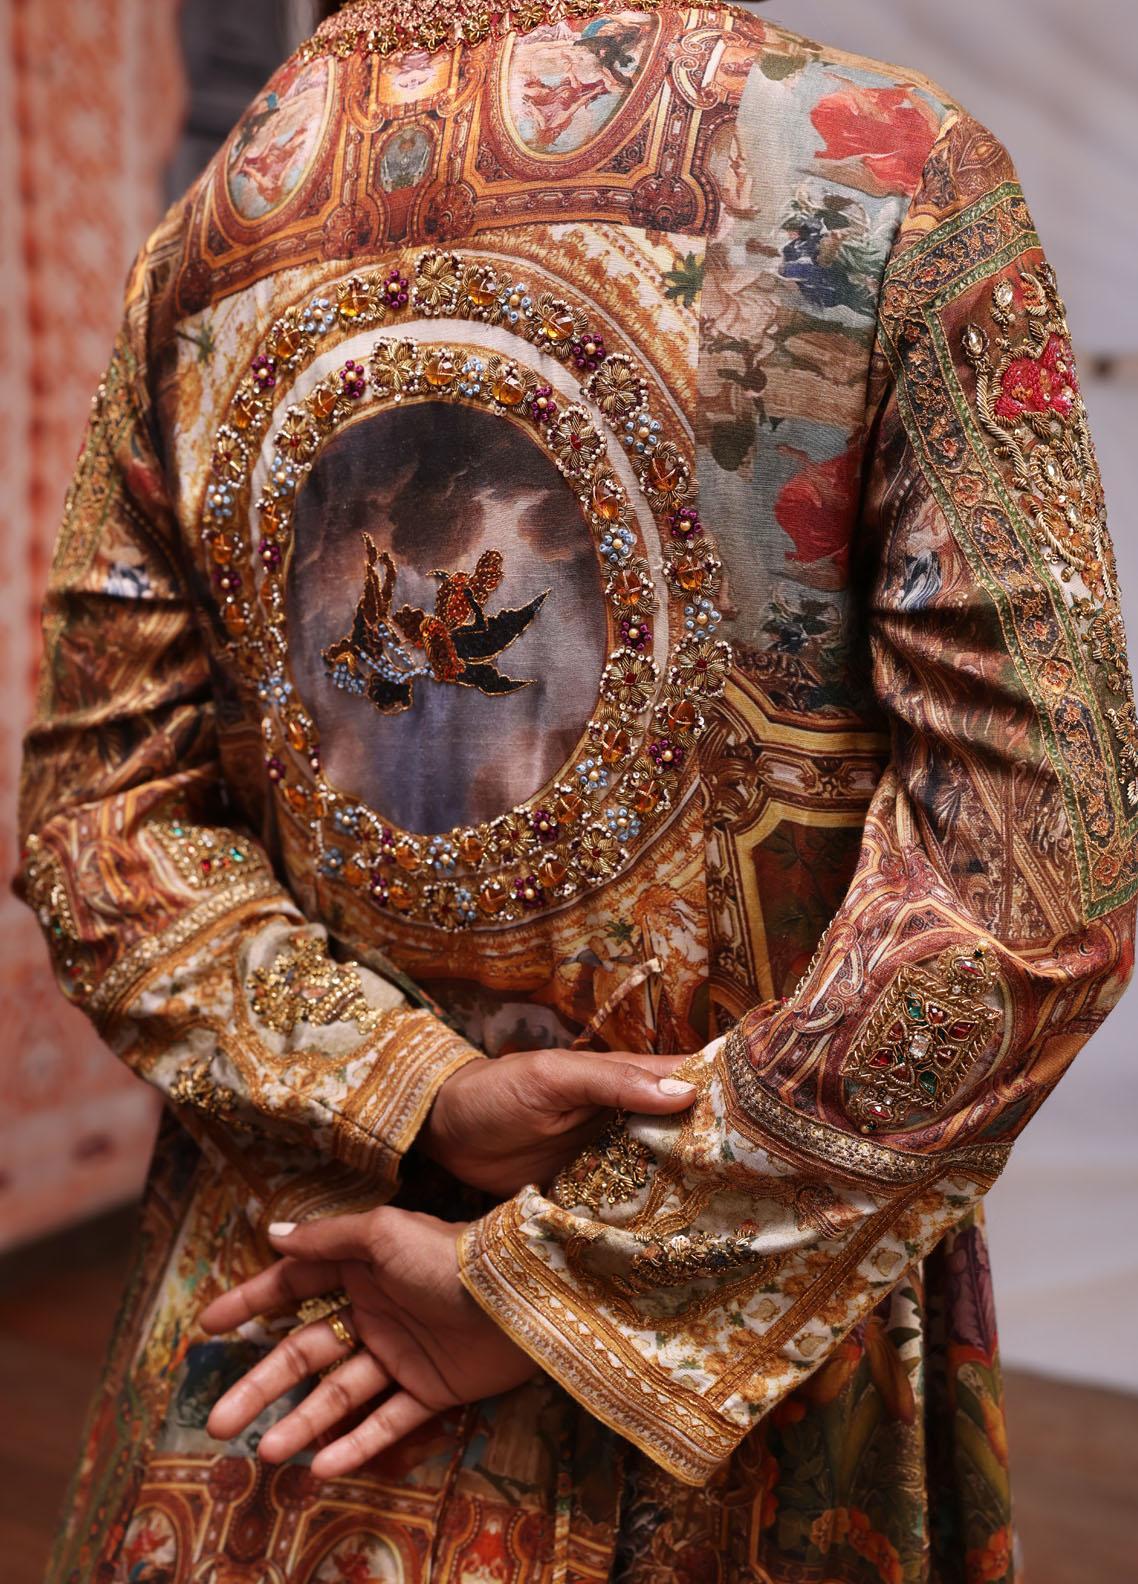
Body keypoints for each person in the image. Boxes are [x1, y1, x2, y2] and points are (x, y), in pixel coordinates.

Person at [18, 2, 1137, 1581]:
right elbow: (1039, 888)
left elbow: (94, 828)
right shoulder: (888, 175)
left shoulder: (216, 231)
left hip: (281, 1339)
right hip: (721, 1378)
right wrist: (573, 1279)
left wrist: (408, 1091)